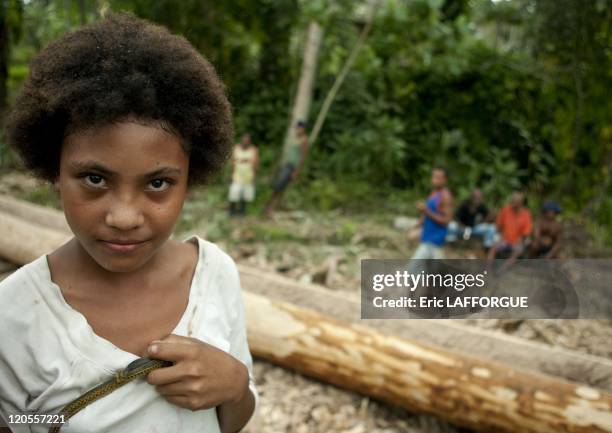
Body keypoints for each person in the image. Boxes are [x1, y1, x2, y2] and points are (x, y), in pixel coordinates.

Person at [0, 14, 257, 433]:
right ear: (53, 171)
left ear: (190, 178)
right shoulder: (12, 314)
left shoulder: (214, 275)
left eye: (157, 183)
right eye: (95, 179)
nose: (124, 217)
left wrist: (235, 384)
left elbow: (233, 417)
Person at [264, 120, 309, 217]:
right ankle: (269, 207)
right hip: (287, 165)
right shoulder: (295, 138)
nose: (298, 130)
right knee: (277, 186)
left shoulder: (304, 140)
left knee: (280, 187)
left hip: (292, 167)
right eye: (297, 128)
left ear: (303, 129)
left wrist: (297, 171)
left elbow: (302, 156)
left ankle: (271, 208)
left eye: (300, 128)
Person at [411, 167, 454, 260]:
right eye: (434, 177)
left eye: (438, 177)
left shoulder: (445, 196)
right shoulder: (433, 193)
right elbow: (428, 213)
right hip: (427, 238)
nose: (435, 180)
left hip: (435, 241)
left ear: (445, 180)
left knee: (415, 270)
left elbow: (447, 221)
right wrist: (419, 224)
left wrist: (426, 211)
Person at [487, 192, 533, 272]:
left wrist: (520, 240)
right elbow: (499, 226)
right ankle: (487, 269)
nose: (512, 203)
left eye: (514, 201)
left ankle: (502, 270)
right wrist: (500, 236)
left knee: (517, 251)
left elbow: (526, 232)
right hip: (505, 239)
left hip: (517, 241)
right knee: (493, 248)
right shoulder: (505, 210)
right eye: (512, 201)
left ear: (520, 203)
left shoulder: (526, 214)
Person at [228, 133, 259, 216]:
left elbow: (256, 164)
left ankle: (242, 212)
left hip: (249, 177)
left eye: (247, 141)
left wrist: (254, 176)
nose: (245, 142)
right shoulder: (236, 149)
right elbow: (233, 163)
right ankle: (231, 212)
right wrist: (231, 175)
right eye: (244, 140)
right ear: (241, 140)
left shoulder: (253, 150)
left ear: (250, 142)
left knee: (246, 196)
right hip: (237, 176)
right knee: (234, 194)